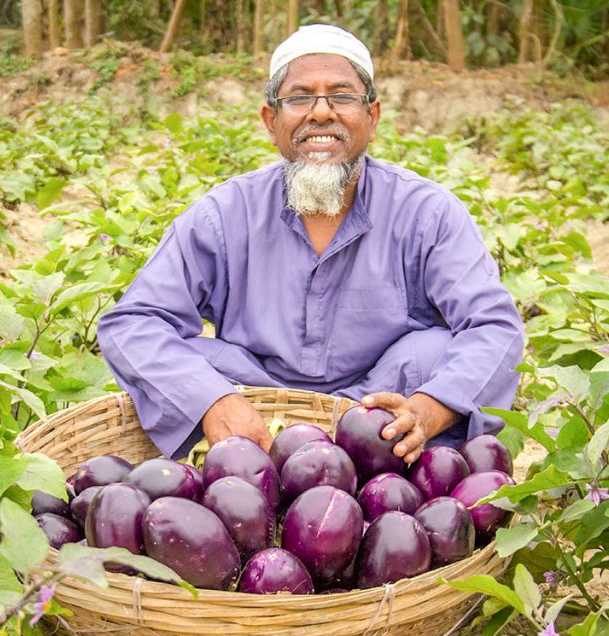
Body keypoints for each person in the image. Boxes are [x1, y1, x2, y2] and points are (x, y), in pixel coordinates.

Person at [98, 24, 523, 463]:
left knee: (437, 350)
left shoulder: (428, 213)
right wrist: (213, 401)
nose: (321, 113)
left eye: (341, 96)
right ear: (271, 121)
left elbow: (494, 326)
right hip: (257, 416)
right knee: (187, 361)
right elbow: (132, 323)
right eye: (299, 98)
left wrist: (427, 412)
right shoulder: (224, 214)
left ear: (372, 117)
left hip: (380, 423)